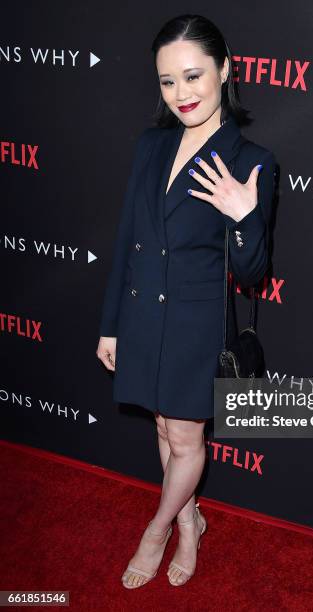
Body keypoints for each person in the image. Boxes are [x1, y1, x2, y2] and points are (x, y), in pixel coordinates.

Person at [96, 14, 277, 589]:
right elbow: (127, 239)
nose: (182, 94)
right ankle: (191, 518)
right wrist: (111, 326)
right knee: (161, 432)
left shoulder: (252, 161)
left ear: (225, 70)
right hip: (144, 314)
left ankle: (161, 528)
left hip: (198, 324)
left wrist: (243, 215)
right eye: (168, 81)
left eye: (194, 76)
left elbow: (251, 274)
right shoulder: (151, 146)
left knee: (185, 439)